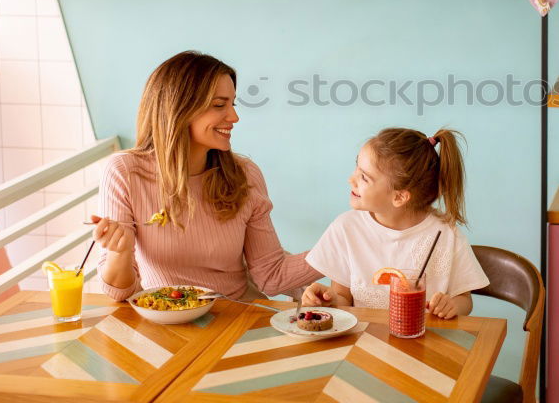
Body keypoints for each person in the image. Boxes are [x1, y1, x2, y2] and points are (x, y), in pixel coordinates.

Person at [91, 51, 319, 301]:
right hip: (168, 320)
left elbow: (270, 275)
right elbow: (118, 292)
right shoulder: (125, 172)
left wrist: (339, 248)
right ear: (180, 109)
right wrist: (120, 253)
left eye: (233, 104)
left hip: (239, 316)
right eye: (220, 105)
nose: (234, 117)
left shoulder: (245, 175)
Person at [302, 127, 489, 318]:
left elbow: (464, 300)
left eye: (364, 177)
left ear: (399, 197)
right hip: (364, 342)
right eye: (357, 167)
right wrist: (331, 299)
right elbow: (343, 297)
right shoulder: (346, 228)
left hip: (425, 342)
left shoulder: (446, 234)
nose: (351, 179)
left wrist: (452, 306)